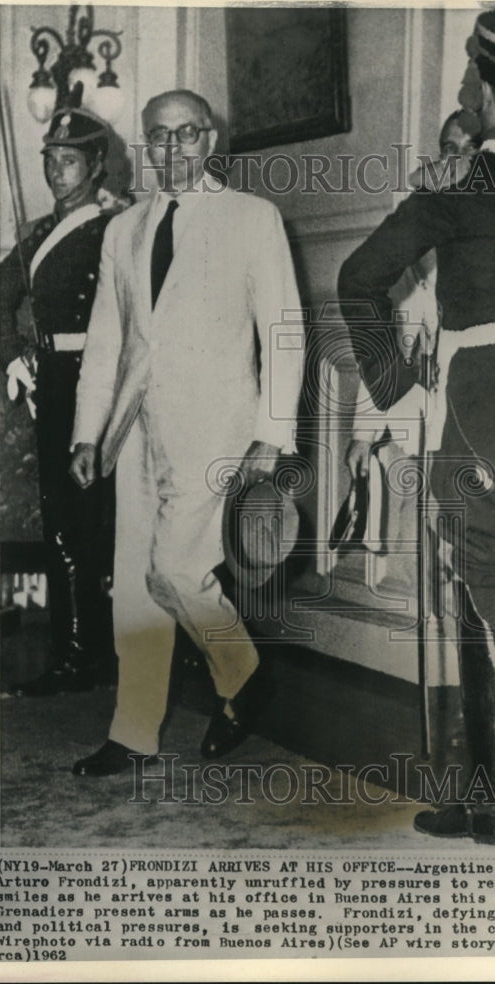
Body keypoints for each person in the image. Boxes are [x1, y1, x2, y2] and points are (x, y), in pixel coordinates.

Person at [339, 9, 495, 845]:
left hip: (479, 415)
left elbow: (359, 277)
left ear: (482, 85)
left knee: (482, 602)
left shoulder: (459, 183)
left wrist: (397, 383)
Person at [68, 89, 303, 777]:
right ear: (145, 144)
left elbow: (283, 330)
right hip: (137, 424)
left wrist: (273, 433)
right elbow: (106, 339)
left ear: (211, 140)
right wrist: (88, 432)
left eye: (187, 134)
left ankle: (243, 670)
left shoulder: (251, 217)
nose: (173, 151)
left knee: (174, 567)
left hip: (218, 422)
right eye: (158, 137)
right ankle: (133, 731)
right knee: (136, 586)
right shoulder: (125, 229)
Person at [0, 106, 126, 695]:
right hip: (54, 380)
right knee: (62, 521)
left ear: (97, 164)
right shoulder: (37, 236)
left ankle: (110, 652)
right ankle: (75, 652)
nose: (55, 172)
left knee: (107, 520)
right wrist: (14, 354)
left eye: (68, 161)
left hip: (102, 380)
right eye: (49, 160)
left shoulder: (118, 226)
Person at [345, 110, 481, 590]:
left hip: (491, 408)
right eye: (450, 147)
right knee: (415, 521)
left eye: (472, 148)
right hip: (429, 409)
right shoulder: (419, 237)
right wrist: (364, 433)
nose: (459, 158)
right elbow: (391, 336)